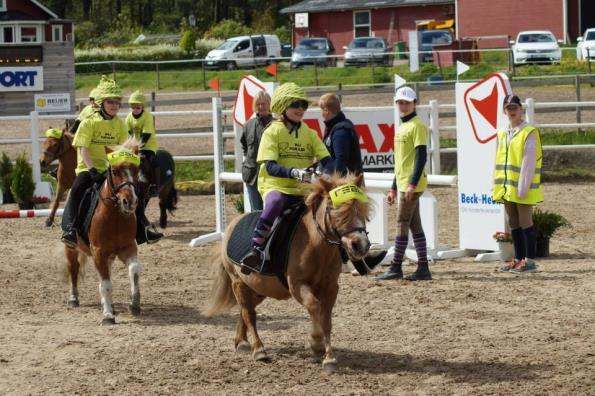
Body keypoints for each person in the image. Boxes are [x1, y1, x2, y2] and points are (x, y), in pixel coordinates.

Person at [61, 76, 162, 247]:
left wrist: (128, 167)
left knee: (134, 190)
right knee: (77, 189)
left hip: (112, 169)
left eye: (117, 102)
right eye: (110, 102)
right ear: (101, 103)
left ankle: (143, 229)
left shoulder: (120, 125)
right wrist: (91, 169)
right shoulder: (88, 123)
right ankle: (71, 230)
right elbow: (82, 148)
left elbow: (123, 150)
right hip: (88, 168)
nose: (114, 106)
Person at [241, 82, 332, 273]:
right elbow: (270, 167)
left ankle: (348, 251)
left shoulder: (310, 132)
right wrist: (294, 172)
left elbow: (326, 160)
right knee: (275, 202)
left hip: (304, 189)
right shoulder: (272, 131)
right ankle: (256, 250)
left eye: (303, 105)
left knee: (336, 204)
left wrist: (327, 174)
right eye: (295, 105)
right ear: (283, 107)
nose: (300, 109)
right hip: (277, 186)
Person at [318, 93, 387, 275]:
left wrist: (329, 179)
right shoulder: (337, 127)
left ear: (326, 110)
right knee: (344, 224)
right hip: (345, 183)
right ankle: (360, 263)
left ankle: (359, 261)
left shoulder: (339, 130)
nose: (321, 114)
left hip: (346, 184)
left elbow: (340, 160)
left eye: (321, 110)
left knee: (346, 223)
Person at [376, 86, 432, 281]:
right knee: (415, 225)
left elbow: (421, 157)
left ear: (414, 103)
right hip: (403, 183)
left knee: (401, 223)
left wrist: (411, 185)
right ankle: (423, 268)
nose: (403, 106)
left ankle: (396, 267)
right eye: (400, 102)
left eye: (407, 102)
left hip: (411, 184)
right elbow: (400, 162)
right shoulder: (402, 127)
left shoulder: (417, 125)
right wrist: (393, 186)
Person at [494, 94, 543, 273]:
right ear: (504, 110)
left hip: (523, 187)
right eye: (508, 108)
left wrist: (523, 186)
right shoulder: (502, 133)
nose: (512, 111)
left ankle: (529, 260)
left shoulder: (529, 131)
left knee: (525, 222)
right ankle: (517, 259)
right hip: (507, 187)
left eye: (514, 107)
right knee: (513, 223)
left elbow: (529, 162)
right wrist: (497, 184)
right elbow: (498, 160)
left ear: (520, 109)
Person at [240, 91, 273, 211]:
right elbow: (245, 148)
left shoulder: (278, 125)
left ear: (270, 105)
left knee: (272, 212)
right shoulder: (247, 126)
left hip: (272, 177)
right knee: (255, 213)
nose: (261, 107)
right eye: (258, 104)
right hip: (252, 176)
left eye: (264, 104)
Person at [126, 90, 160, 198]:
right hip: (134, 146)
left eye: (138, 107)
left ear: (142, 107)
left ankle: (154, 185)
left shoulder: (147, 116)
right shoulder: (128, 118)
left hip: (148, 145)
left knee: (152, 160)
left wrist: (137, 147)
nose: (135, 110)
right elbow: (128, 134)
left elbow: (146, 135)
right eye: (133, 107)